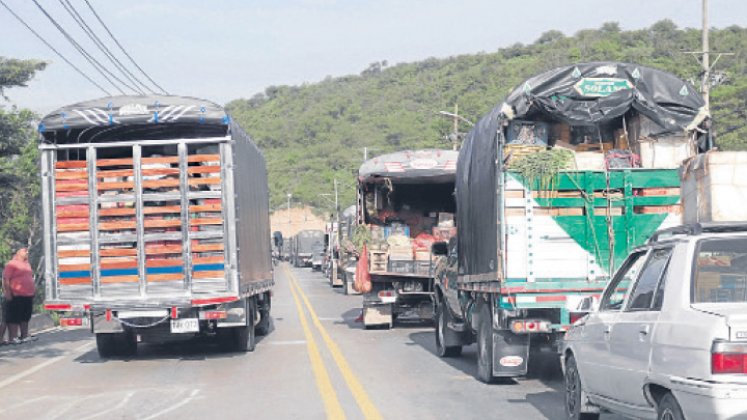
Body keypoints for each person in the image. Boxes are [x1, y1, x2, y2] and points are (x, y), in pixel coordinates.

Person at [2, 248, 36, 344]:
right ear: (18, 252)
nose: (27, 252)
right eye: (24, 251)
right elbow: (5, 279)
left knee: (25, 316)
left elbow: (29, 278)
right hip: (16, 294)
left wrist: (33, 290)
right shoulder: (12, 264)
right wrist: (8, 293)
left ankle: (24, 336)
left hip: (28, 295)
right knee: (14, 317)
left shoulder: (27, 264)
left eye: (27, 251)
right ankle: (13, 337)